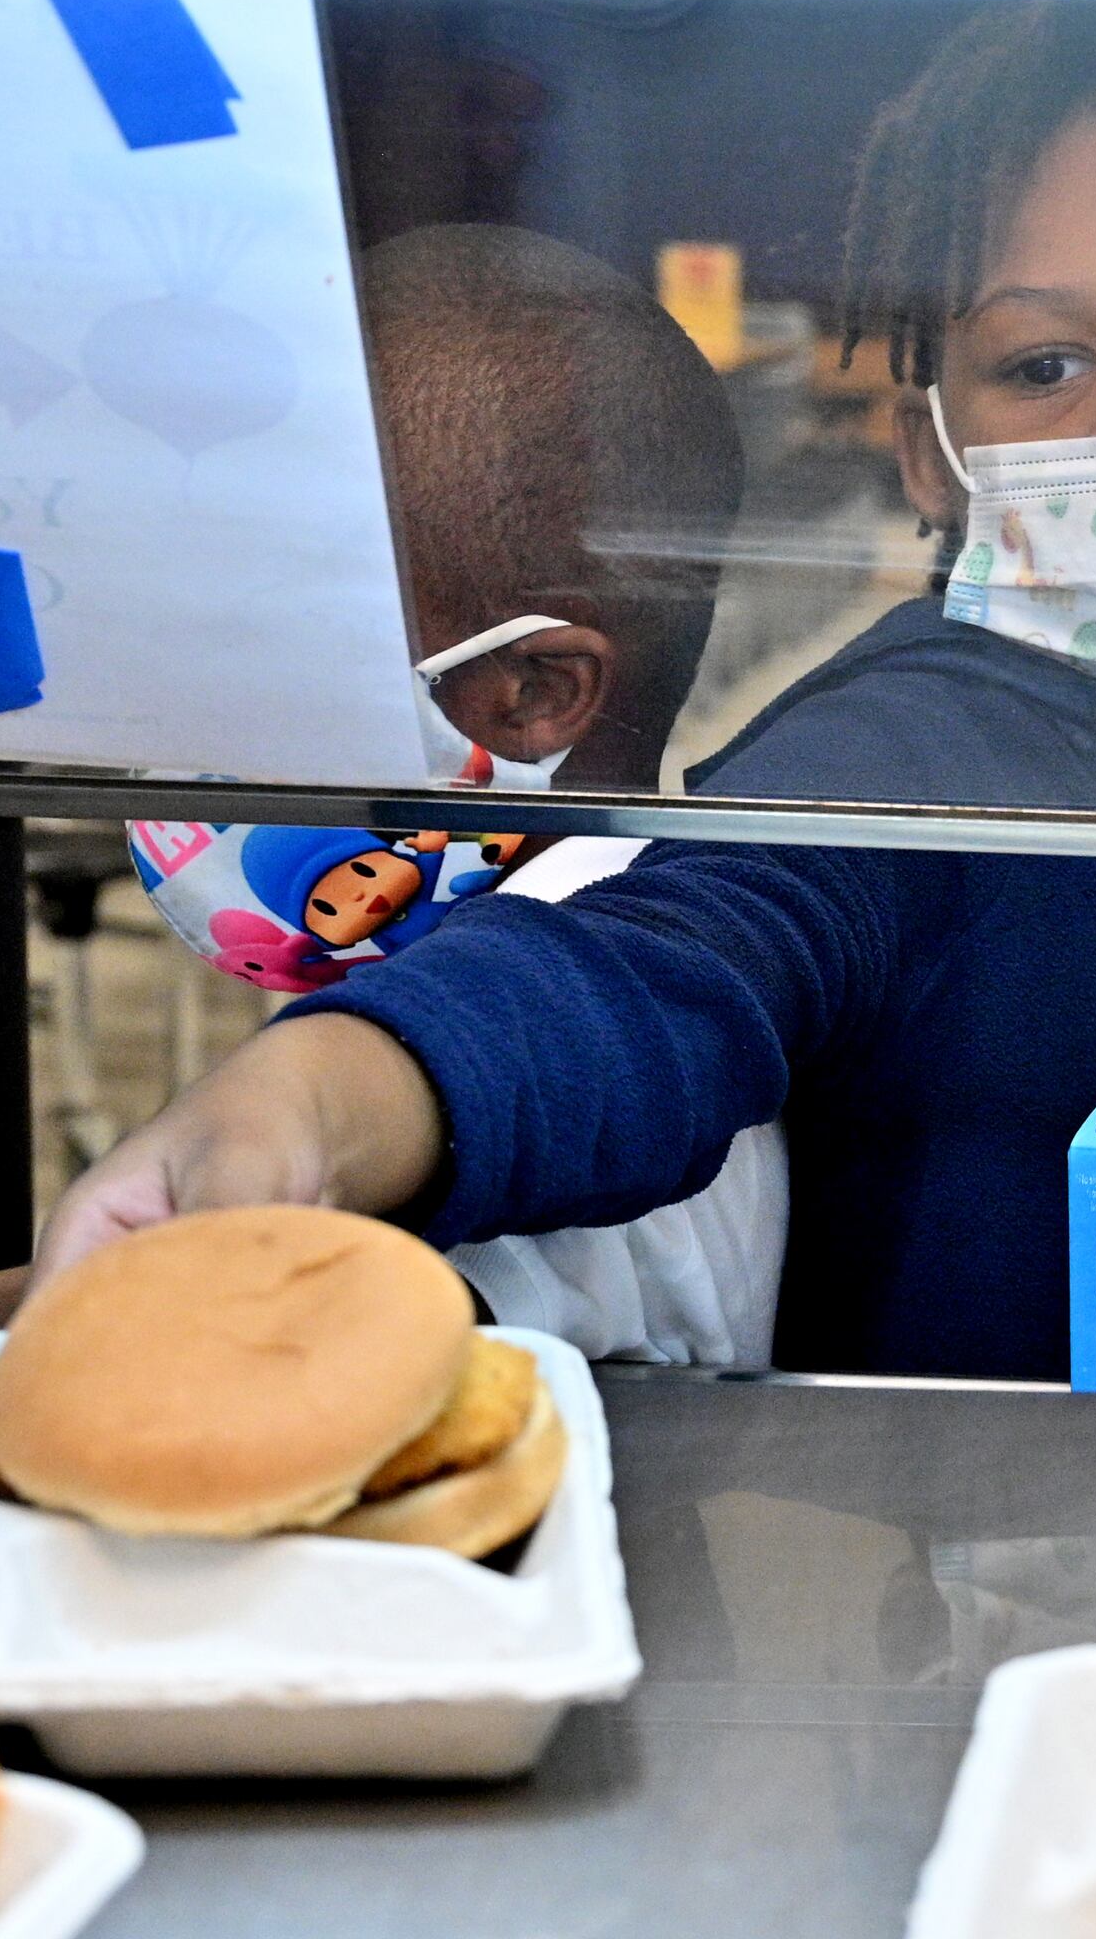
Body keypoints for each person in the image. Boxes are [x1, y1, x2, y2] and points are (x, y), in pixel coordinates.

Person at [46, 0, 1096, 1395]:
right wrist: (320, 1095)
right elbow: (651, 974)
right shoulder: (883, 774)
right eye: (1044, 364)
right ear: (929, 454)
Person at [140, 222, 792, 1363]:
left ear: (534, 692)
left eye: (274, 634)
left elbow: (195, 1337)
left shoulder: (595, 1049)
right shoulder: (461, 934)